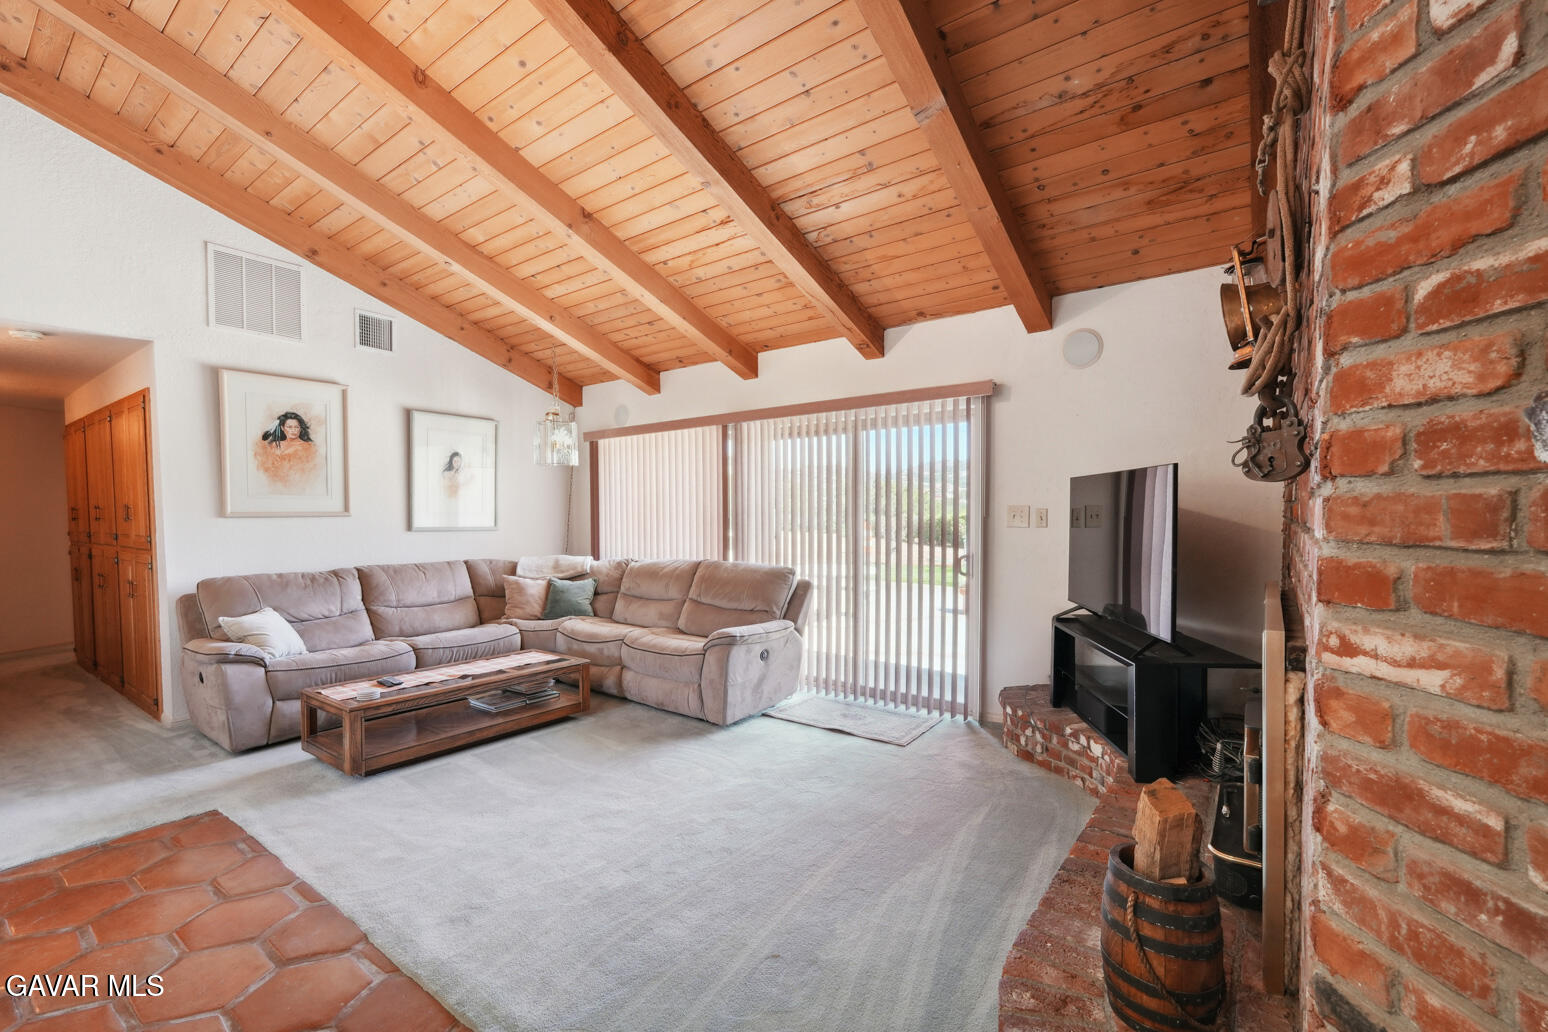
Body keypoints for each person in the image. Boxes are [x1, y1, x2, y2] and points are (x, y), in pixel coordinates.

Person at [253, 410, 322, 493]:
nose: (293, 430)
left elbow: (309, 473)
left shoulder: (308, 447)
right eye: (289, 427)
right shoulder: (274, 445)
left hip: (297, 487)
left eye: (296, 427)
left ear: (300, 429)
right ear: (282, 428)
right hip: (273, 486)